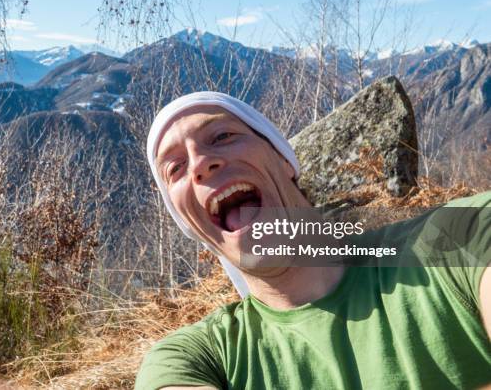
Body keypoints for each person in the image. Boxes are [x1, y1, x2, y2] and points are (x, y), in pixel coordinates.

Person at [135, 91, 491, 390]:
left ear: (283, 158)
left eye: (222, 137)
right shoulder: (191, 360)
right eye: (175, 168)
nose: (200, 163)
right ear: (187, 221)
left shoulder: (460, 236)